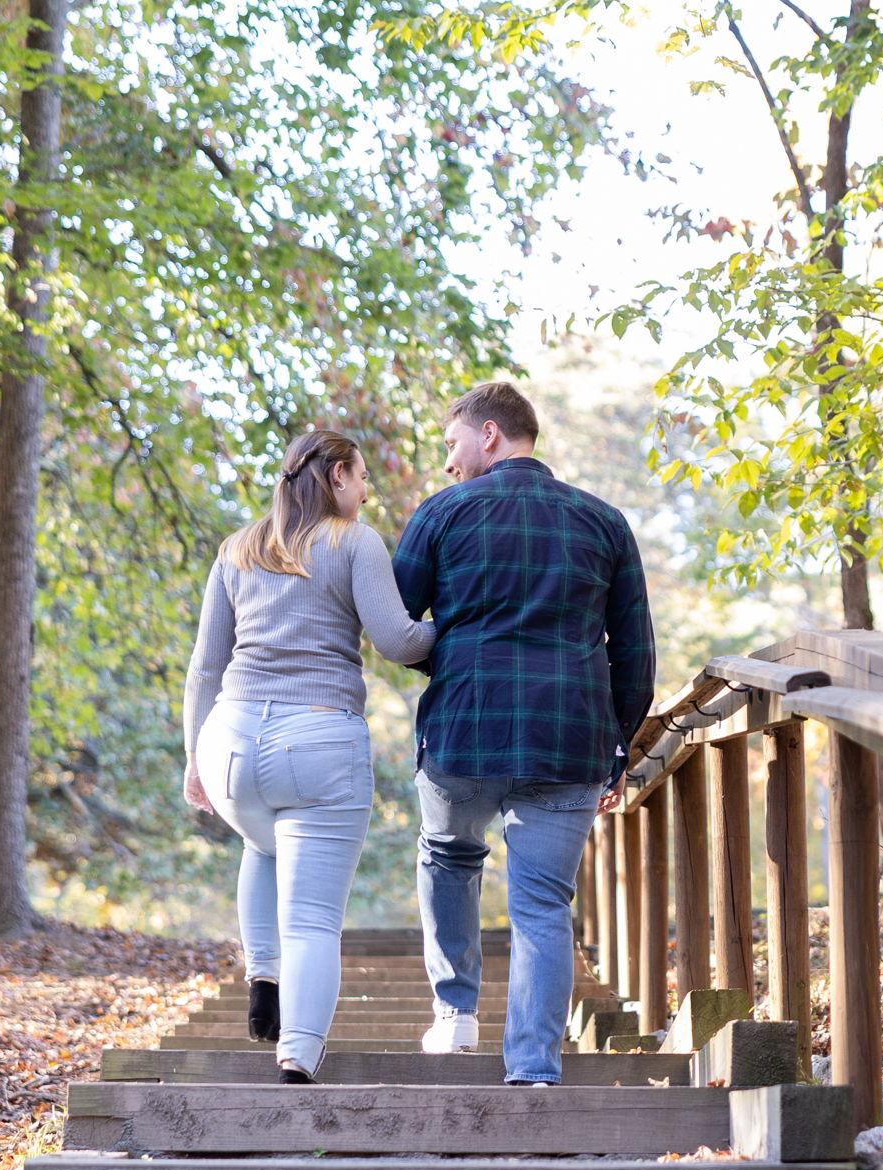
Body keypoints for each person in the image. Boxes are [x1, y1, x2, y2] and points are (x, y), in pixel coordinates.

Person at [393, 381, 655, 1084]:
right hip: (569, 741)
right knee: (542, 904)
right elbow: (635, 654)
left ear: (488, 435)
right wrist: (618, 747)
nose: (448, 464)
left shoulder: (442, 514)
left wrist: (449, 657)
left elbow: (394, 620)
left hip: (461, 735)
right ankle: (533, 1069)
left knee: (448, 855)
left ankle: (455, 1014)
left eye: (453, 445)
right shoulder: (603, 523)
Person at [183, 427, 434, 1083]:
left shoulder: (238, 548)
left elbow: (203, 670)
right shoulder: (354, 541)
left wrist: (193, 759)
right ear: (340, 475)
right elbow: (397, 641)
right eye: (363, 476)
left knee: (264, 844)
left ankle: (262, 973)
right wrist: (459, 629)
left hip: (230, 744)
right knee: (315, 920)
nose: (366, 489)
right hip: (318, 738)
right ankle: (297, 1052)